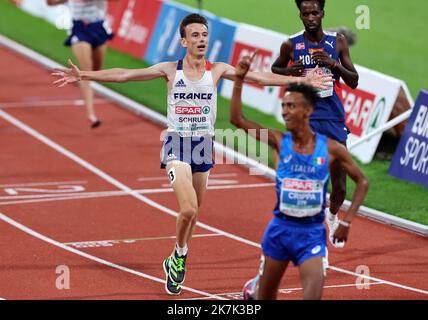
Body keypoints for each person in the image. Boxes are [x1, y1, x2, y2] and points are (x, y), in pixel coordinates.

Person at [51, 13, 332, 295]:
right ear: (184, 41)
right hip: (176, 143)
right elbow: (125, 75)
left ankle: (176, 254)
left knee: (194, 215)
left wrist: (305, 79)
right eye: (195, 36)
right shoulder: (171, 70)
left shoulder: (217, 69)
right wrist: (84, 75)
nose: (201, 40)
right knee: (188, 209)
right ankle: (180, 256)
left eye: (204, 36)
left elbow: (259, 77)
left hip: (204, 146)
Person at [231, 54, 368, 300]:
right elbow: (237, 120)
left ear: (308, 110)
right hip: (280, 230)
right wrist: (239, 79)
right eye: (283, 106)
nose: (284, 112)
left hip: (312, 234)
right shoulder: (277, 140)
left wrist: (346, 222)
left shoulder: (331, 148)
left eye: (291, 106)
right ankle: (254, 290)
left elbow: (363, 182)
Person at [271, 0, 359, 248]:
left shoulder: (337, 42)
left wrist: (334, 64)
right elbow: (274, 69)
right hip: (305, 120)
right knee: (311, 180)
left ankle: (332, 215)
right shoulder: (291, 44)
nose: (310, 17)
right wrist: (292, 72)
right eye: (305, 13)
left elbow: (354, 81)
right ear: (300, 15)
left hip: (332, 118)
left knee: (340, 186)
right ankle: (308, 231)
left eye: (315, 13)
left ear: (322, 13)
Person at [47, 0, 114, 128]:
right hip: (79, 29)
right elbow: (50, 2)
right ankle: (91, 116)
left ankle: (83, 81)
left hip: (98, 28)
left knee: (96, 71)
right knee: (85, 72)